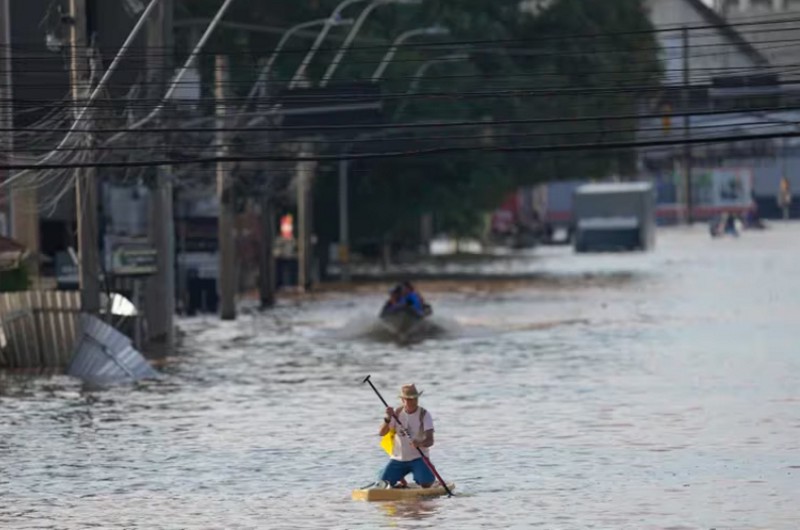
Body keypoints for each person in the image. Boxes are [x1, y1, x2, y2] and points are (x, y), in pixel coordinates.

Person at [378, 384, 435, 488]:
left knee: (426, 483)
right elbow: (382, 433)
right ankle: (398, 476)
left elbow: (430, 441)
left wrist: (420, 443)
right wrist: (388, 418)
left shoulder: (424, 414)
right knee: (382, 484)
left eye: (414, 398)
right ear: (402, 400)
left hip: (418, 458)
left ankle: (428, 472)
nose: (411, 402)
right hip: (398, 459)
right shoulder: (396, 413)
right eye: (408, 399)